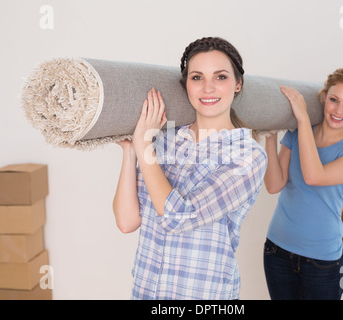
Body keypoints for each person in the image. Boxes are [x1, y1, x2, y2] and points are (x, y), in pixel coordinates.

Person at [113, 37, 267, 300]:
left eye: (220, 77)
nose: (208, 88)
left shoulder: (248, 156)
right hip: (147, 290)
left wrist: (144, 146)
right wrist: (131, 152)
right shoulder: (165, 139)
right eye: (197, 77)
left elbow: (178, 218)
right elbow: (127, 222)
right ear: (186, 85)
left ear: (238, 84)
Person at [263, 68, 343, 300]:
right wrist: (270, 138)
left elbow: (315, 176)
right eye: (334, 100)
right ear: (324, 98)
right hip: (277, 250)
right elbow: (274, 185)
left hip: (323, 262)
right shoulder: (296, 134)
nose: (338, 110)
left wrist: (302, 117)